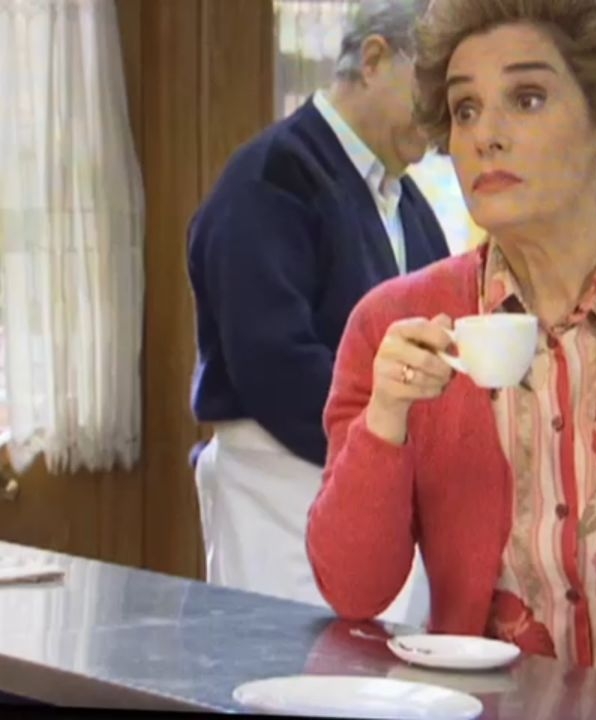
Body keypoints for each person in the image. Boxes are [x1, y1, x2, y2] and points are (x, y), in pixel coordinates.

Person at [306, 0, 596, 716]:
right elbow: (353, 589)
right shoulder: (390, 322)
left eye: (526, 98)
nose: (485, 135)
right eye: (465, 109)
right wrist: (385, 420)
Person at [187, 0, 449, 621]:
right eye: (434, 89)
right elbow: (274, 364)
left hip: (376, 487)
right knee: (293, 665)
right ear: (374, 59)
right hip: (282, 492)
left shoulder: (406, 202)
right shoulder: (271, 177)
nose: (442, 119)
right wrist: (382, 442)